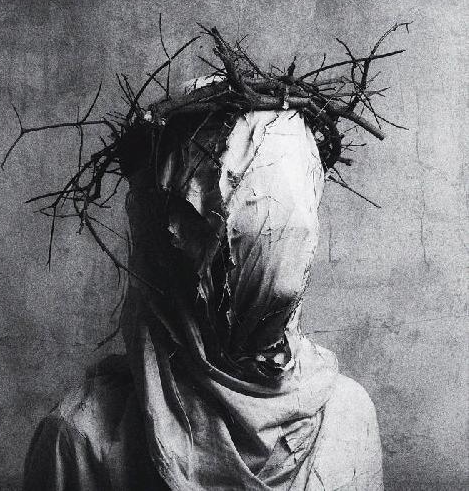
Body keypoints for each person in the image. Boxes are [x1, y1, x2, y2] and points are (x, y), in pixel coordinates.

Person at [23, 91, 383, 490]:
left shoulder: (347, 418)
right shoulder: (81, 442)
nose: (273, 275)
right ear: (163, 244)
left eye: (285, 236)